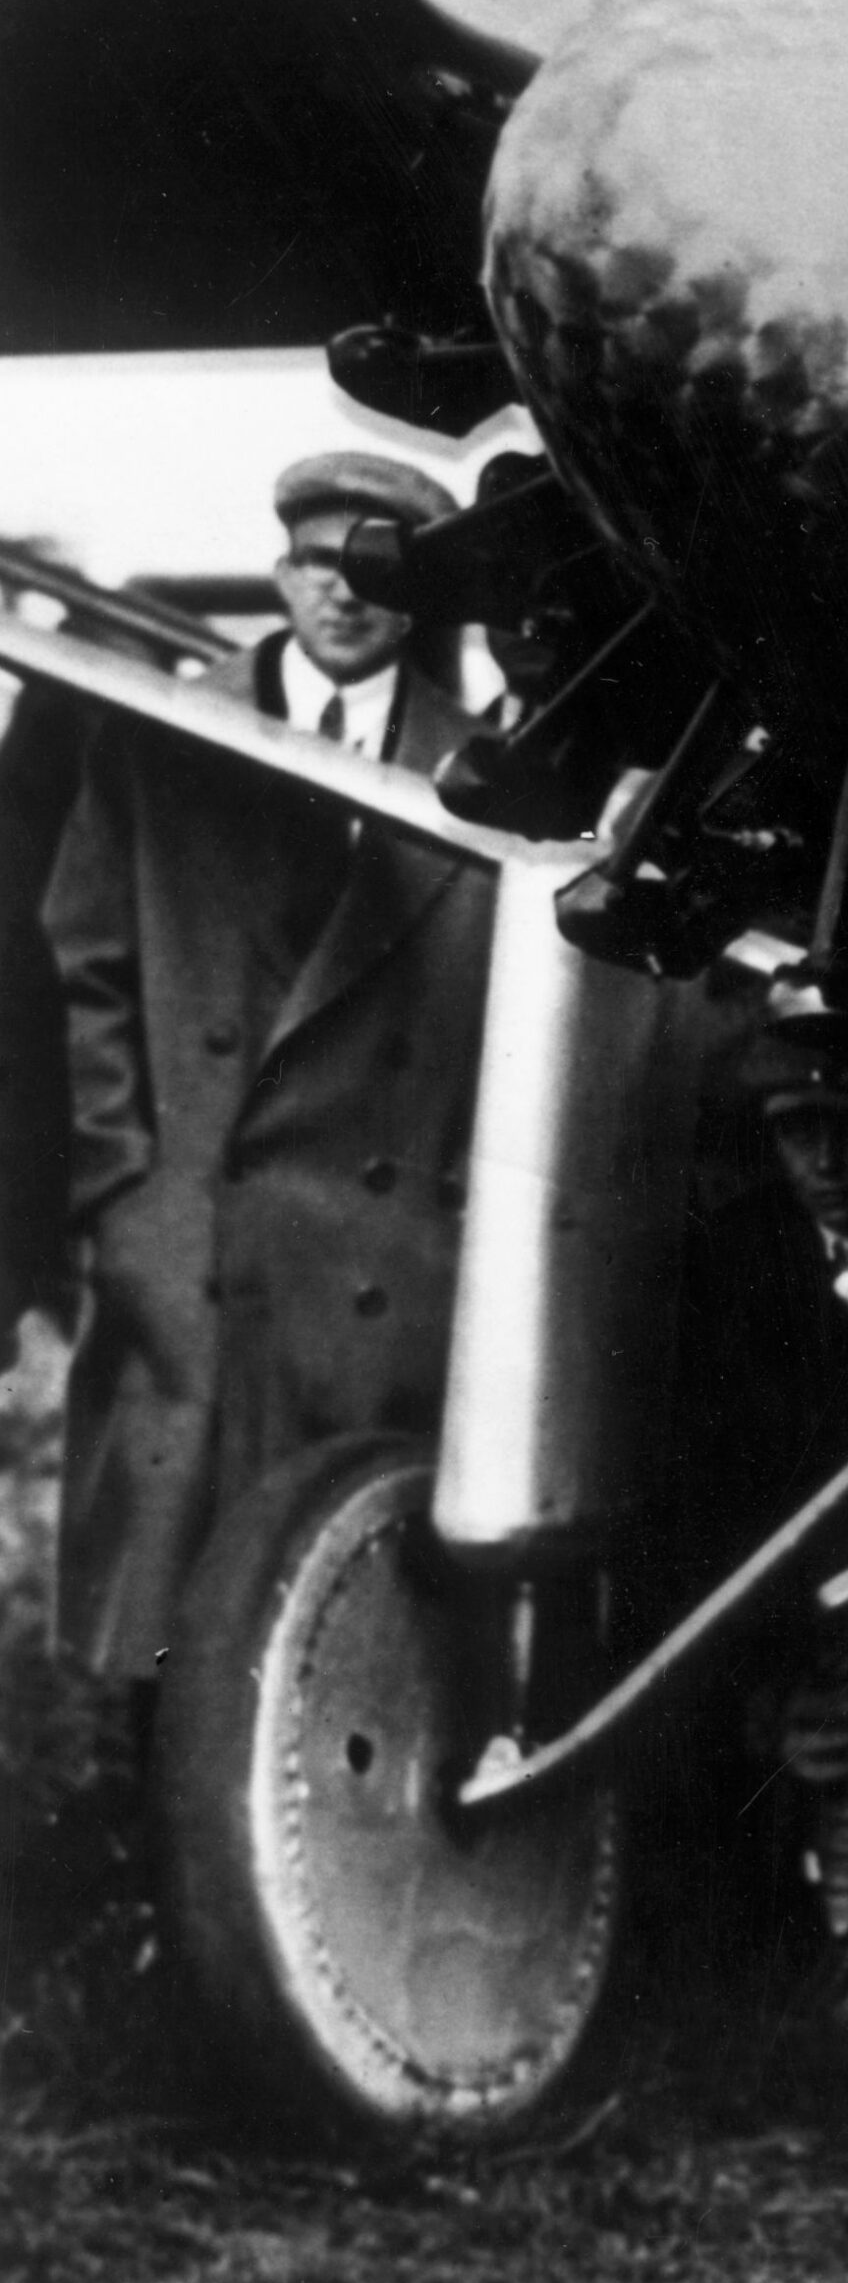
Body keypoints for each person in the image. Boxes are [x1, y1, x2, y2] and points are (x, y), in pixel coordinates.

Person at [41, 450, 492, 1700]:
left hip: (384, 1266)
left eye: (374, 572)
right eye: (315, 564)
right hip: (193, 1237)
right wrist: (122, 1188)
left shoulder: (487, 776)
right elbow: (86, 968)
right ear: (278, 574)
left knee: (346, 1625)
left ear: (418, 601)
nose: (340, 596)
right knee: (171, 1618)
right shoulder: (166, 732)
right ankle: (160, 1851)